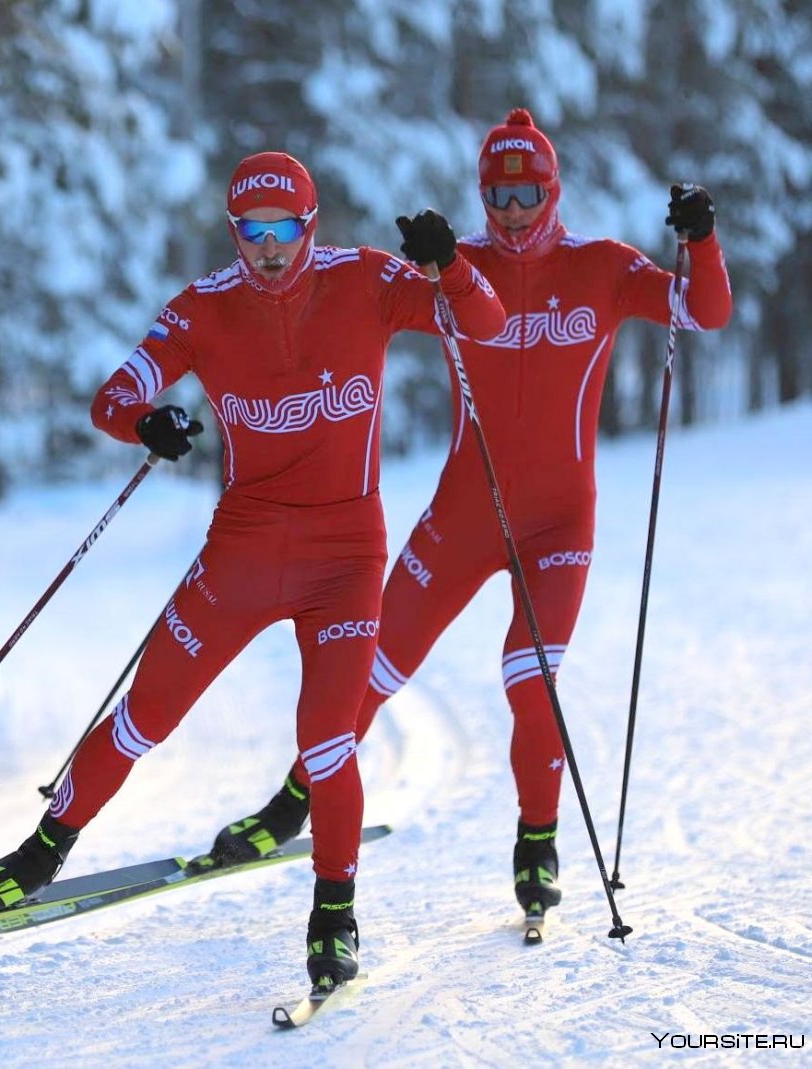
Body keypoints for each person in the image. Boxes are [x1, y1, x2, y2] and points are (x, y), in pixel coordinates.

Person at [0, 150, 506, 986]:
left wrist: (452, 265)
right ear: (234, 231)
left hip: (346, 556)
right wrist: (146, 423)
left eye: (285, 229)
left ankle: (334, 916)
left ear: (311, 224)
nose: (270, 247)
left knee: (327, 741)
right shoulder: (204, 308)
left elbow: (488, 324)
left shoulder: (368, 282)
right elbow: (112, 396)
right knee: (145, 715)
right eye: (253, 231)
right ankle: (38, 853)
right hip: (243, 552)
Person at [209, 108, 733, 922]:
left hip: (559, 523)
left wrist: (701, 240)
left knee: (530, 681)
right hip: (463, 516)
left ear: (552, 191)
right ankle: (293, 801)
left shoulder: (600, 268)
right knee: (372, 670)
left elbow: (704, 312)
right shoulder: (458, 270)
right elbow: (340, 296)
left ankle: (536, 843)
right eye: (499, 194)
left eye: (528, 192)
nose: (514, 210)